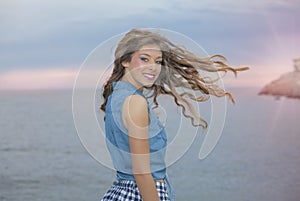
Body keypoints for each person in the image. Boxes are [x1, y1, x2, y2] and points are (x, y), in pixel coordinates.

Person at [100, 28, 248, 201]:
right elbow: (141, 172)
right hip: (140, 194)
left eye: (158, 61)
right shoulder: (135, 102)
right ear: (125, 60)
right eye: (144, 59)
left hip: (121, 191)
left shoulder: (116, 96)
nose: (153, 67)